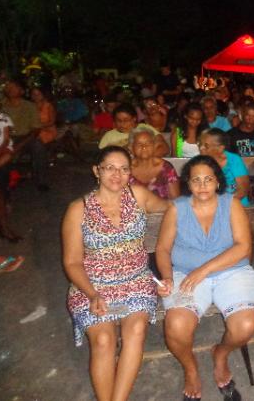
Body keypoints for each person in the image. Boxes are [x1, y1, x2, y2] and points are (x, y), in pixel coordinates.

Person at [62, 146, 169, 401]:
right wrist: (92, 294)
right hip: (92, 285)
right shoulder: (78, 209)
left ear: (130, 173)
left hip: (137, 280)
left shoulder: (140, 195)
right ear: (96, 171)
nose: (117, 174)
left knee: (136, 331)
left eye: (123, 168)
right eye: (109, 167)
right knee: (103, 341)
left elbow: (172, 211)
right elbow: (73, 262)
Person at [155, 155, 254, 401]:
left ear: (217, 182)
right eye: (196, 180)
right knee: (176, 326)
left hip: (232, 271)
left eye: (208, 179)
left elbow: (243, 247)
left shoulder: (231, 204)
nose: (202, 185)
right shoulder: (176, 208)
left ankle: (220, 355)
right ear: (188, 184)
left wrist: (203, 270)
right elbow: (162, 249)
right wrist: (168, 277)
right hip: (185, 272)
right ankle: (191, 370)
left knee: (244, 326)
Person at [2, 80, 48, 190]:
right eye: (8, 87)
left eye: (14, 87)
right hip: (7, 137)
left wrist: (20, 145)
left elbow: (36, 129)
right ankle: (5, 180)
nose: (10, 89)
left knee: (38, 146)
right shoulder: (1, 106)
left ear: (21, 91)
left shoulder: (29, 106)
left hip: (26, 137)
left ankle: (41, 180)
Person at [199, 128, 250, 206]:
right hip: (209, 207)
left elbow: (243, 190)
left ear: (221, 148)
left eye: (206, 146)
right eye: (200, 144)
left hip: (237, 205)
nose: (201, 148)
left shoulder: (234, 160)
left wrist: (221, 206)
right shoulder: (199, 163)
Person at [99, 103, 169, 157]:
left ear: (134, 119)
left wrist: (142, 159)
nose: (122, 124)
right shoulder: (109, 136)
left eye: (126, 120)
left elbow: (164, 148)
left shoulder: (144, 129)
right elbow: (102, 157)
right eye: (119, 121)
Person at [129, 128, 180, 200]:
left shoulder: (166, 168)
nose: (144, 147)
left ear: (154, 146)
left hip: (164, 210)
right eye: (139, 144)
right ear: (131, 148)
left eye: (148, 143)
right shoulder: (125, 169)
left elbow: (176, 201)